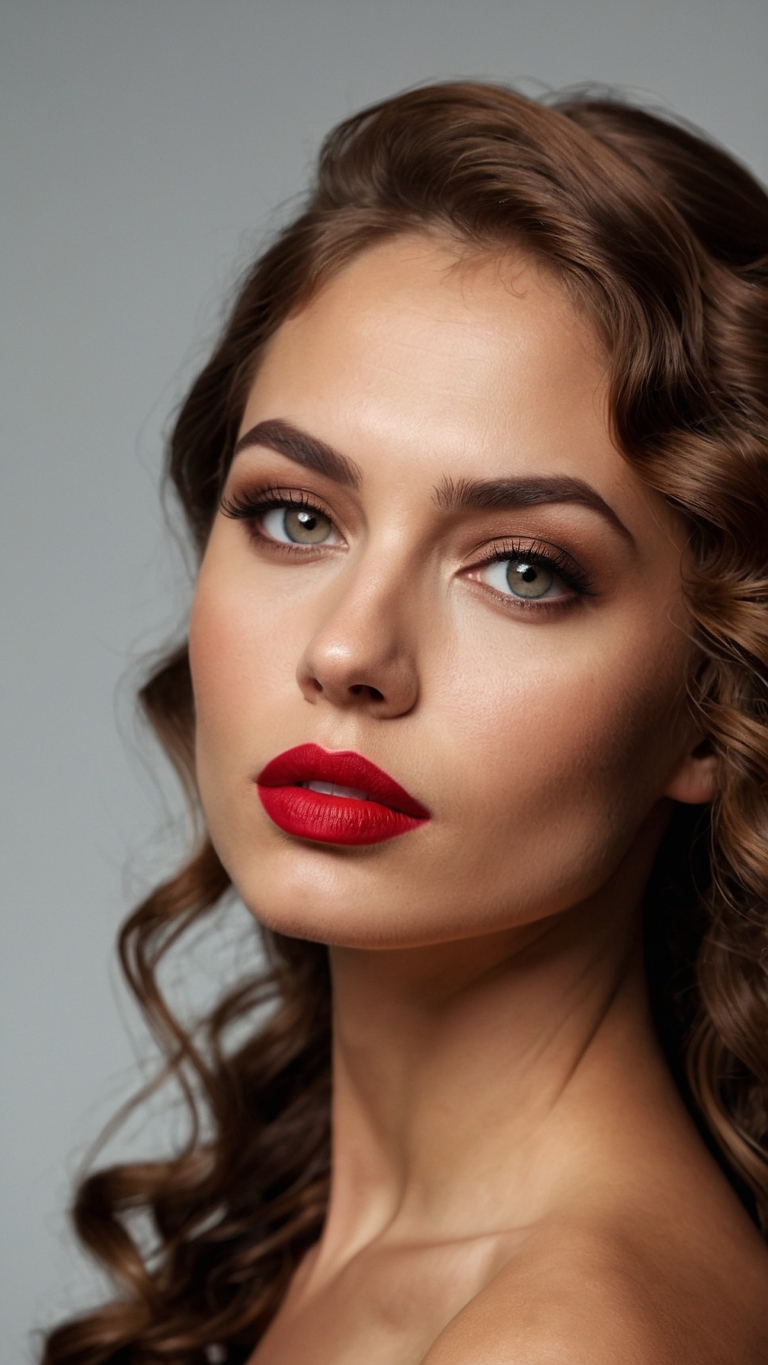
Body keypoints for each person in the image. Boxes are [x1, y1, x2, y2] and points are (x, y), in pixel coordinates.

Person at [43, 82, 768, 1364]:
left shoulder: (568, 1336)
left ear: (710, 711)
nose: (347, 653)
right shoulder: (332, 1251)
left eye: (524, 568)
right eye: (297, 516)